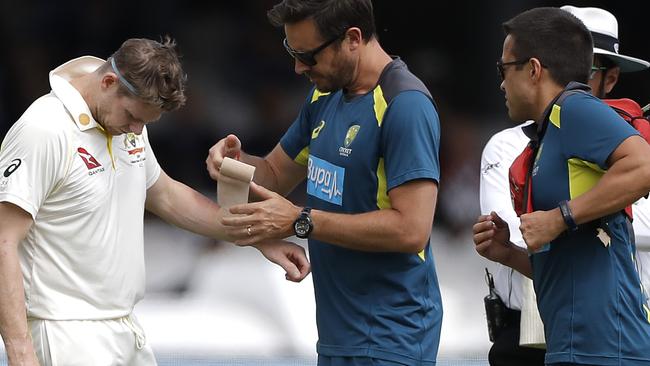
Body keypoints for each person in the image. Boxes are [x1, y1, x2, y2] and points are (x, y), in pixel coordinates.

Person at [0, 37, 310, 366]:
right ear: (108, 82)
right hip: (63, 332)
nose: (136, 129)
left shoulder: (126, 124)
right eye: (133, 116)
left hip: (125, 327)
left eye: (146, 122)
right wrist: (20, 352)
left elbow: (167, 196)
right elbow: (4, 241)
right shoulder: (43, 129)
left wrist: (256, 237)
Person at [206, 1, 442, 365]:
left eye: (308, 56)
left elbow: (412, 229)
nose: (298, 67)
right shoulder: (323, 95)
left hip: (391, 339)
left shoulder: (404, 105)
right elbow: (271, 175)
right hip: (337, 338)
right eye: (292, 52)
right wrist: (233, 166)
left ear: (352, 39)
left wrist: (301, 221)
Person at [473, 7, 650, 366]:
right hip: (574, 345)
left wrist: (560, 217)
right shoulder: (545, 135)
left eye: (504, 69)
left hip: (607, 346)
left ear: (534, 70)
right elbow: (566, 264)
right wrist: (507, 252)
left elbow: (644, 165)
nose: (501, 84)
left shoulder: (573, 107)